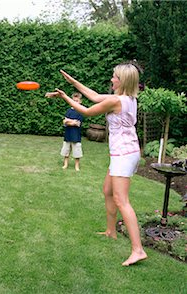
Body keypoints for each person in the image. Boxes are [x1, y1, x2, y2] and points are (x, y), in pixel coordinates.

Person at [45, 63, 147, 266]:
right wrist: (73, 82)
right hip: (126, 151)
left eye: (114, 77)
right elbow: (93, 95)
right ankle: (111, 231)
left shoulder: (116, 101)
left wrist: (65, 97)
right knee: (108, 190)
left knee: (121, 199)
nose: (111, 79)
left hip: (124, 154)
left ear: (122, 81)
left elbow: (87, 110)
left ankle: (138, 250)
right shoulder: (126, 98)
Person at [61, 92, 83, 171]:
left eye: (76, 101)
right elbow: (64, 122)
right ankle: (65, 164)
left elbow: (77, 123)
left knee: (77, 151)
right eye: (73, 100)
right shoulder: (69, 111)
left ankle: (77, 166)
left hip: (76, 135)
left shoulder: (81, 111)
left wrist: (69, 121)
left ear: (80, 101)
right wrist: (71, 121)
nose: (75, 102)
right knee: (66, 150)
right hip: (68, 134)